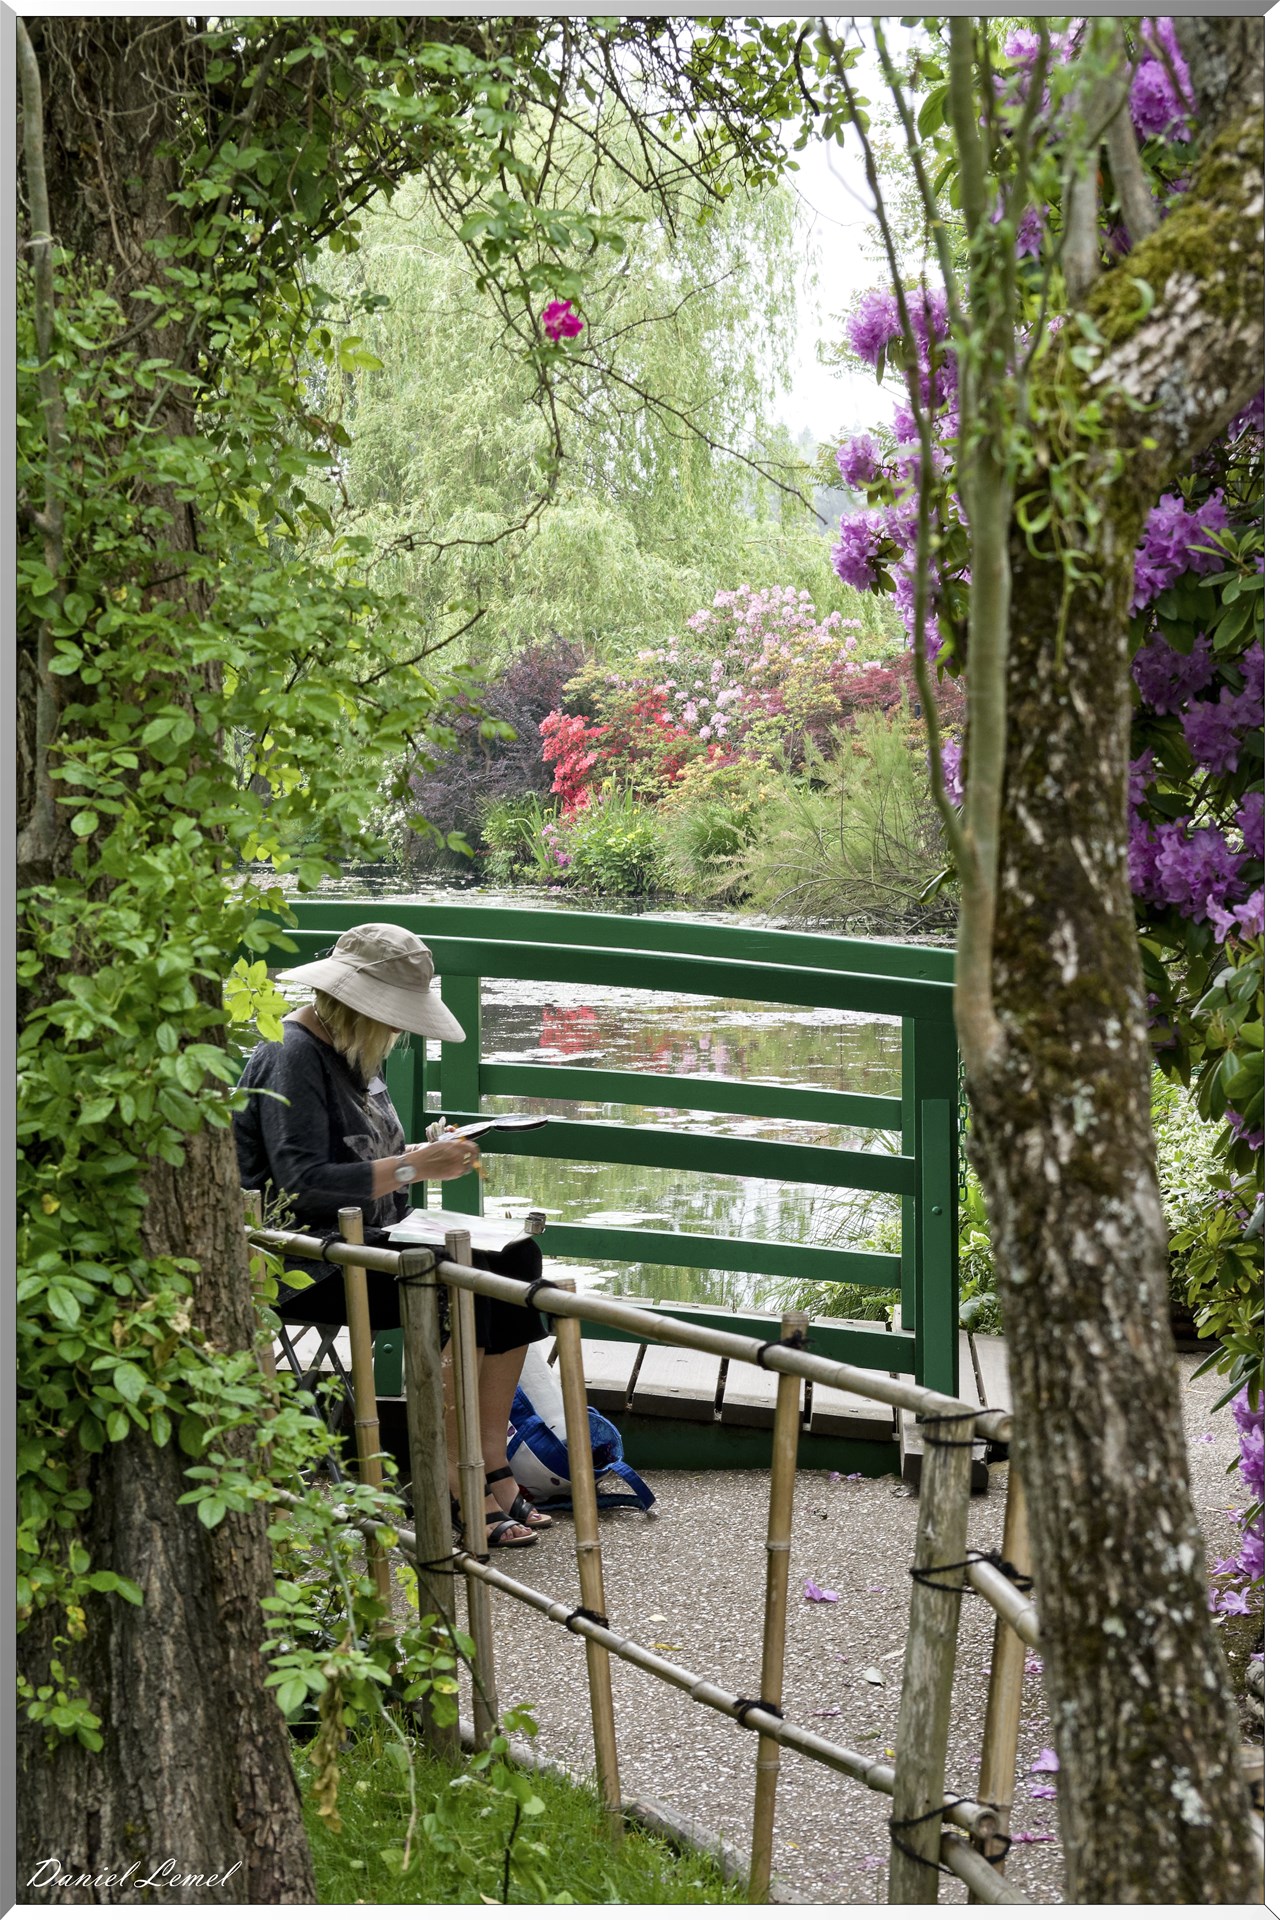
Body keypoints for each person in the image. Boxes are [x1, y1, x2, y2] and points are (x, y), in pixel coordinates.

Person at [234, 920, 550, 1547]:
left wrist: (420, 1155)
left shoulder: (357, 1052)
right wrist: (411, 1167)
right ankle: (453, 1483)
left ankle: (489, 1462)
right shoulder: (292, 1055)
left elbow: (370, 1162)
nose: (402, 1030)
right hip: (307, 1262)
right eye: (396, 1017)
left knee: (518, 1257)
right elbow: (301, 1185)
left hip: (372, 1242)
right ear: (355, 1005)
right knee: (465, 1278)